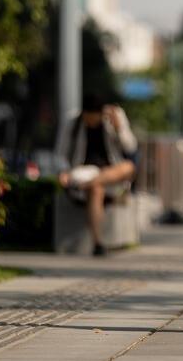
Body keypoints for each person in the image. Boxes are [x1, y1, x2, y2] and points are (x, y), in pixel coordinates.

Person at [56, 93, 138, 256]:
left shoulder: (114, 117)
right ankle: (98, 243)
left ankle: (89, 184)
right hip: (84, 172)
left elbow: (130, 148)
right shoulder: (74, 122)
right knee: (96, 189)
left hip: (111, 175)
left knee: (128, 167)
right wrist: (63, 172)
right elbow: (60, 153)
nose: (91, 121)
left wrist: (119, 128)